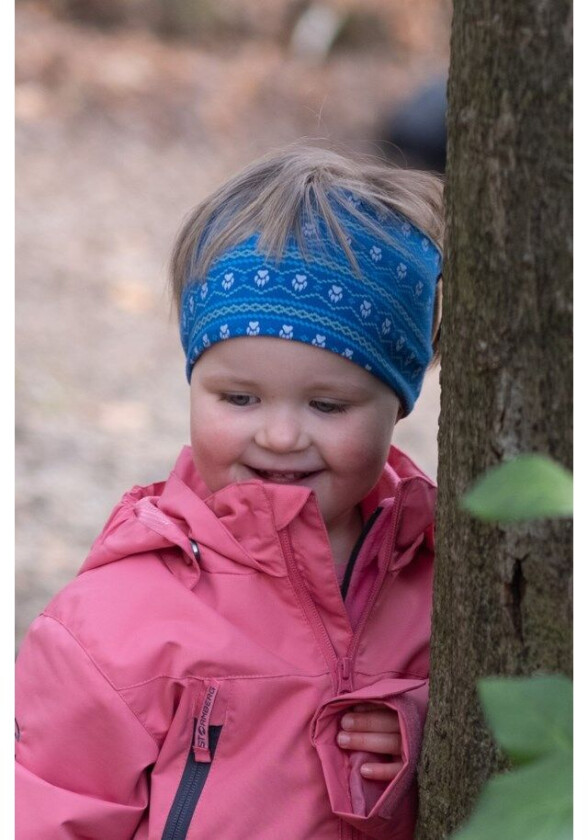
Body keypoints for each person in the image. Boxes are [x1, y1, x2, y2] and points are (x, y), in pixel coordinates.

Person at [15, 145, 443, 840]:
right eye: (239, 397)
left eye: (328, 406)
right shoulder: (121, 621)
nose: (278, 436)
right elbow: (53, 810)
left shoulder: (441, 573)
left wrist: (432, 725)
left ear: (396, 405)